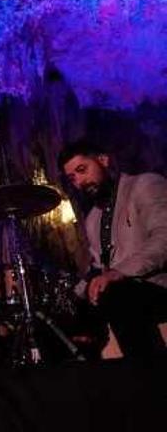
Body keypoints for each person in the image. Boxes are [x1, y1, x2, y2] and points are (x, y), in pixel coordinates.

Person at [59, 139, 167, 358]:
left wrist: (118, 273)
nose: (79, 181)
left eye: (82, 170)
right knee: (63, 316)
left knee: (117, 293)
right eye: (73, 178)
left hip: (157, 286)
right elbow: (100, 266)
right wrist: (75, 295)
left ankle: (149, 376)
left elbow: (163, 239)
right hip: (121, 292)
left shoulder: (146, 184)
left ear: (103, 160)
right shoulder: (93, 218)